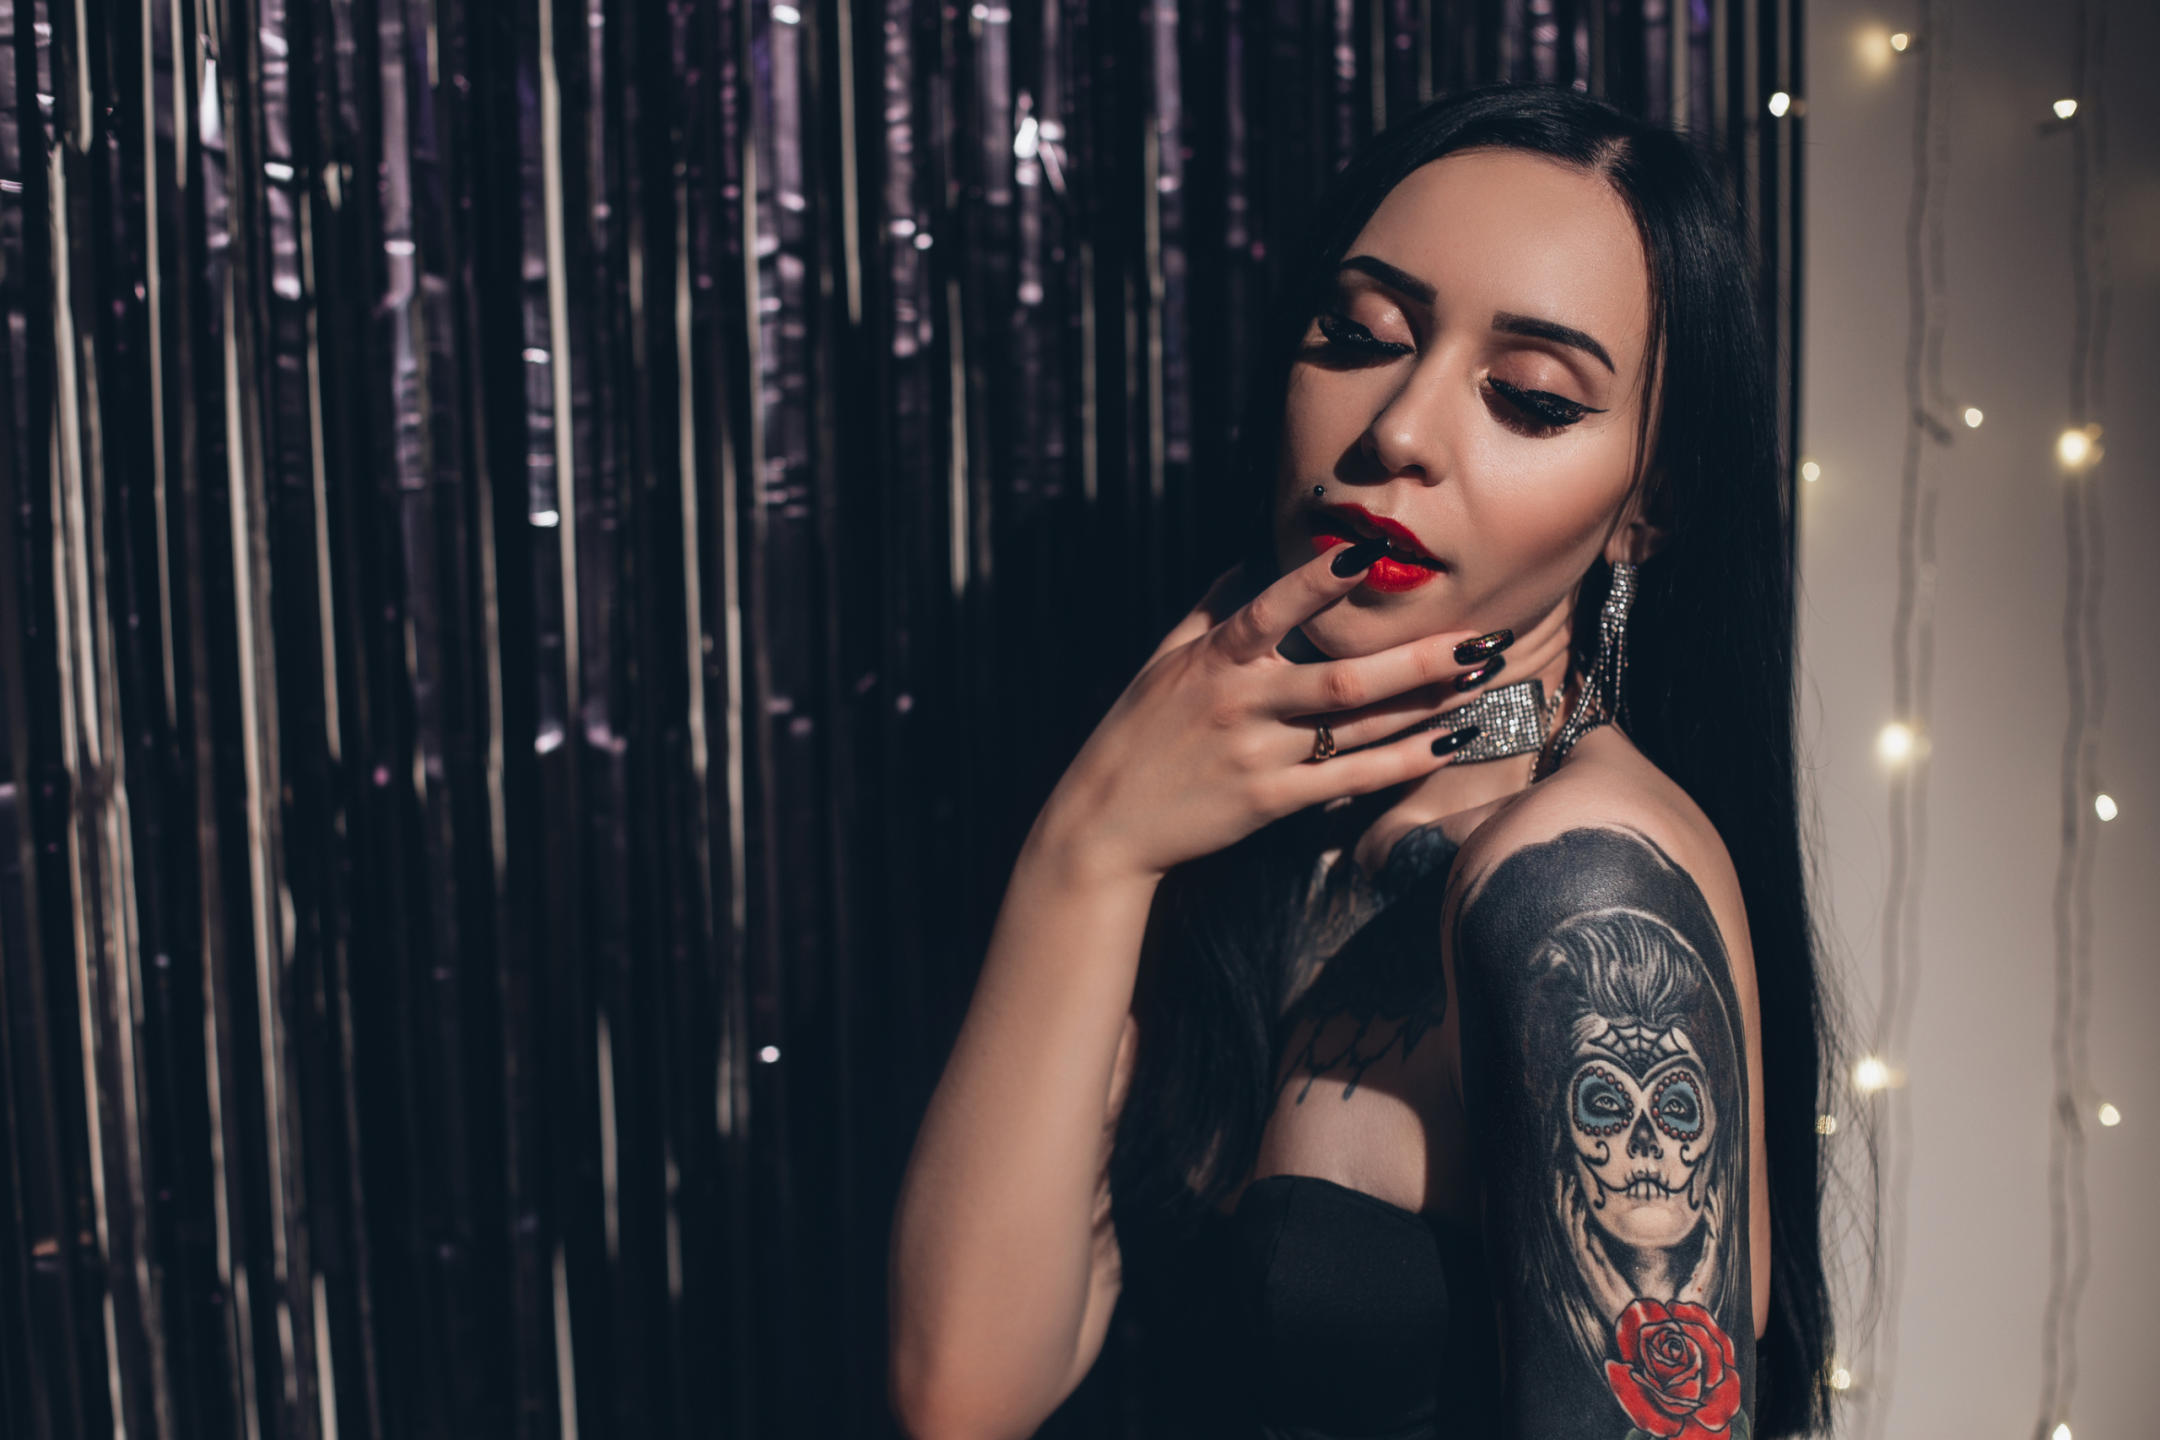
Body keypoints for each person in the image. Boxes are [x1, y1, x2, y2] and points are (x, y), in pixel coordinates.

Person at [888, 83, 1836, 1440]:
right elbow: (963, 1393)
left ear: (1649, 508)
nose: (1398, 429)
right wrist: (1087, 851)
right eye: (1361, 336)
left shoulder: (1583, 892)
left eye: (1530, 397)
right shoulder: (1249, 824)